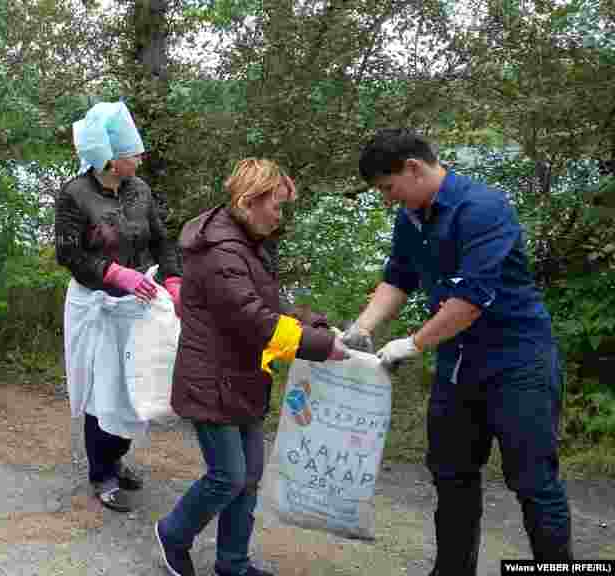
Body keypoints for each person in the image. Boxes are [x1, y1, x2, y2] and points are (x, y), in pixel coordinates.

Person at [341, 128, 572, 573]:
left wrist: (412, 343)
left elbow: (470, 302)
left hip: (517, 363)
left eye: (389, 188)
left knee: (533, 483)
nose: (389, 198)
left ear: (414, 168)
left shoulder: (483, 209)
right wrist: (362, 329)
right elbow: (398, 278)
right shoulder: (411, 216)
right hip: (458, 368)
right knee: (452, 477)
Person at [154, 158, 349, 576]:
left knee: (250, 475)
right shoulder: (222, 252)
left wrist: (318, 326)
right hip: (210, 380)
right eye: (276, 206)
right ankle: (172, 533)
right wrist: (322, 347)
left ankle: (233, 563)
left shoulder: (247, 243)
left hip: (241, 377)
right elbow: (255, 320)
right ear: (248, 201)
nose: (280, 217)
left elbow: (268, 302)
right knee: (228, 475)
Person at [55, 101, 183, 512]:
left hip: (138, 302)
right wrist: (114, 274)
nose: (141, 157)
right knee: (102, 391)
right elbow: (69, 255)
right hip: (96, 305)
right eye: (133, 152)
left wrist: (175, 278)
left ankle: (117, 455)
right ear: (110, 161)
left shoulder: (140, 190)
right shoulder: (74, 195)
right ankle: (102, 472)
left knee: (135, 383)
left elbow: (161, 238)